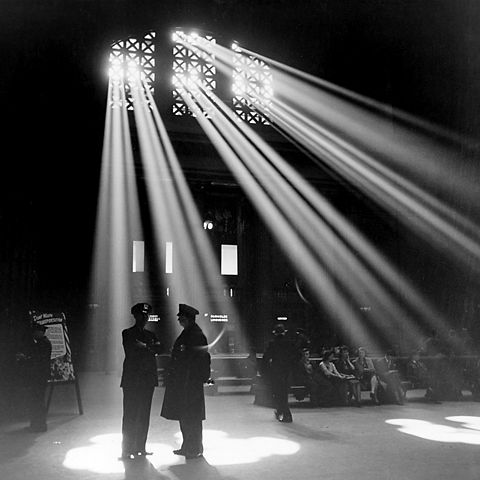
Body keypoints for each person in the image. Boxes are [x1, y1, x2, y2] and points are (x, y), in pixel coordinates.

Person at [161, 304, 211, 459]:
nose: (178, 319)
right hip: (184, 382)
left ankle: (195, 447)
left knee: (192, 416)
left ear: (187, 318)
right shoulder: (189, 333)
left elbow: (201, 359)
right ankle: (187, 445)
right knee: (185, 415)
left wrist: (197, 378)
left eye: (181, 317)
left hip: (190, 382)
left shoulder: (195, 334)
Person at [120, 302, 162, 460]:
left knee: (144, 415)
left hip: (146, 380)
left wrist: (144, 346)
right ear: (135, 316)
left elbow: (160, 349)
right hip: (133, 380)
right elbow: (131, 351)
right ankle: (126, 449)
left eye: (146, 316)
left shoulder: (150, 335)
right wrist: (149, 347)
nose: (144, 318)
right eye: (141, 315)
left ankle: (140, 447)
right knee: (130, 414)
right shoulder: (127, 333)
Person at [16, 323, 52, 432]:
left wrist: (24, 358)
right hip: (40, 375)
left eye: (35, 332)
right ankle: (38, 424)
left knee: (37, 400)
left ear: (40, 332)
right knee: (38, 400)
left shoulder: (43, 344)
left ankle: (39, 425)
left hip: (39, 376)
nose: (33, 335)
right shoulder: (43, 343)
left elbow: (37, 360)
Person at [263, 324, 296, 423]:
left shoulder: (273, 343)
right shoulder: (290, 343)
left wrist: (266, 370)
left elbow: (266, 358)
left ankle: (285, 414)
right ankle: (281, 411)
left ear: (275, 333)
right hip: (287, 371)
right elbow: (297, 355)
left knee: (278, 393)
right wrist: (291, 363)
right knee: (284, 393)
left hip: (276, 371)